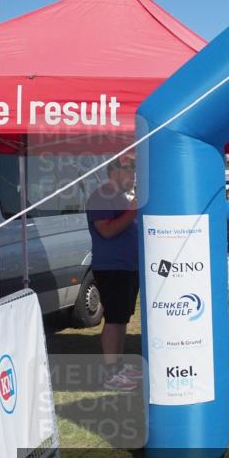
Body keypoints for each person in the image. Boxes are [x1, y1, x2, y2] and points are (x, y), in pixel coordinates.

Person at [86, 155, 141, 391]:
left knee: (121, 319)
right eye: (130, 169)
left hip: (126, 267)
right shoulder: (101, 196)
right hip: (111, 267)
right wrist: (133, 210)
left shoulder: (118, 197)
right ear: (115, 170)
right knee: (114, 320)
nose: (134, 175)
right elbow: (107, 231)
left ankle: (117, 368)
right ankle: (111, 374)